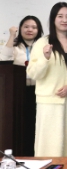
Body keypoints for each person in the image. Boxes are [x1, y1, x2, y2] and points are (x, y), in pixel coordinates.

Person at [27, 2, 67, 157]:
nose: (64, 20)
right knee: (49, 146)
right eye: (60, 16)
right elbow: (33, 73)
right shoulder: (42, 42)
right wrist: (45, 58)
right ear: (53, 19)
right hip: (49, 102)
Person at [1, 16, 44, 156]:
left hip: (39, 90)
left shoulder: (43, 46)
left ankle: (36, 153)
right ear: (20, 29)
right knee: (21, 124)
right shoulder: (14, 45)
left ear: (39, 30)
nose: (30, 30)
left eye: (34, 27)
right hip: (19, 91)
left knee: (36, 124)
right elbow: (4, 58)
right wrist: (11, 36)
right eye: (26, 26)